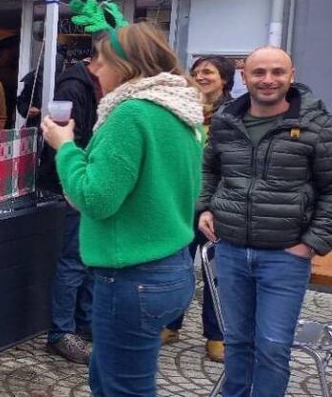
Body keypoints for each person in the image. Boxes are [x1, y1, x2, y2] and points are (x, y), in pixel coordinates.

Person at [41, 21, 204, 397]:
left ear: (127, 64)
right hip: (172, 268)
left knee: (122, 389)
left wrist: (64, 146)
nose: (93, 68)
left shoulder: (131, 114)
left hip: (133, 277)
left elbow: (95, 198)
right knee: (110, 377)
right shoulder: (181, 111)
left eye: (100, 59)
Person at [198, 47, 332, 397]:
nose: (268, 80)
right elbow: (208, 169)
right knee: (237, 341)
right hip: (230, 250)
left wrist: (310, 243)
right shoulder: (228, 119)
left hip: (284, 256)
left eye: (277, 72)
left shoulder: (316, 125)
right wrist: (205, 208)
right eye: (259, 72)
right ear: (244, 76)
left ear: (292, 75)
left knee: (272, 347)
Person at [163, 55, 235, 361]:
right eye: (196, 72)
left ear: (225, 80)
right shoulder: (183, 110)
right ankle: (170, 324)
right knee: (177, 266)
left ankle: (216, 334)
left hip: (217, 205)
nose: (201, 76)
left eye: (209, 72)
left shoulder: (233, 115)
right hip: (182, 201)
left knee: (215, 270)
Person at [41, 56, 101, 365]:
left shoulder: (97, 86)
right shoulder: (75, 87)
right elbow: (66, 139)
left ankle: (85, 324)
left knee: (88, 257)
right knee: (75, 260)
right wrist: (71, 182)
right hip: (75, 183)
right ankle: (61, 333)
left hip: (90, 183)